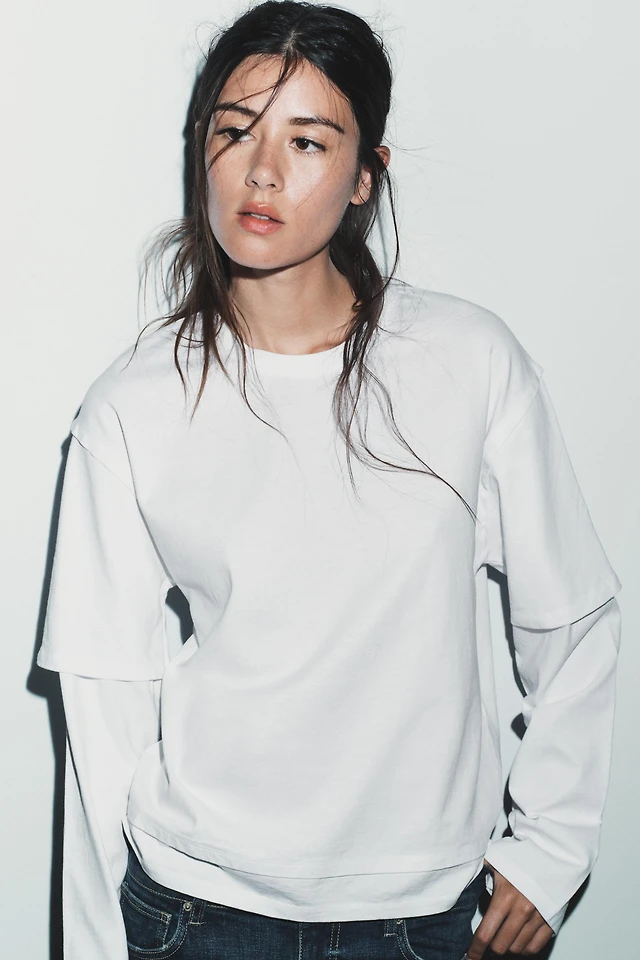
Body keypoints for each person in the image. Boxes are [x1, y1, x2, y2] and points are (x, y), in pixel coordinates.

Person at [36, 3, 623, 959]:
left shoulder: (470, 363)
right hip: (195, 909)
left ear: (364, 177)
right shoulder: (132, 407)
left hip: (425, 915)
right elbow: (101, 710)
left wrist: (553, 846)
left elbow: (576, 617)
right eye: (235, 131)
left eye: (307, 141)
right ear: (200, 148)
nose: (262, 171)